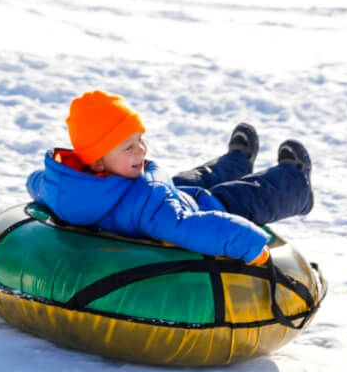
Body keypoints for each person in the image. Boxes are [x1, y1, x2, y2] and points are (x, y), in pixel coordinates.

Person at [26, 90, 313, 266]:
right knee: (244, 195)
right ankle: (297, 185)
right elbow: (187, 226)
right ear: (98, 160)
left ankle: (237, 160)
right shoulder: (149, 207)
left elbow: (37, 183)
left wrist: (35, 181)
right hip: (198, 207)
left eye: (140, 139)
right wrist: (248, 244)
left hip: (163, 191)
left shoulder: (65, 188)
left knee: (193, 178)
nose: (142, 149)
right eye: (129, 147)